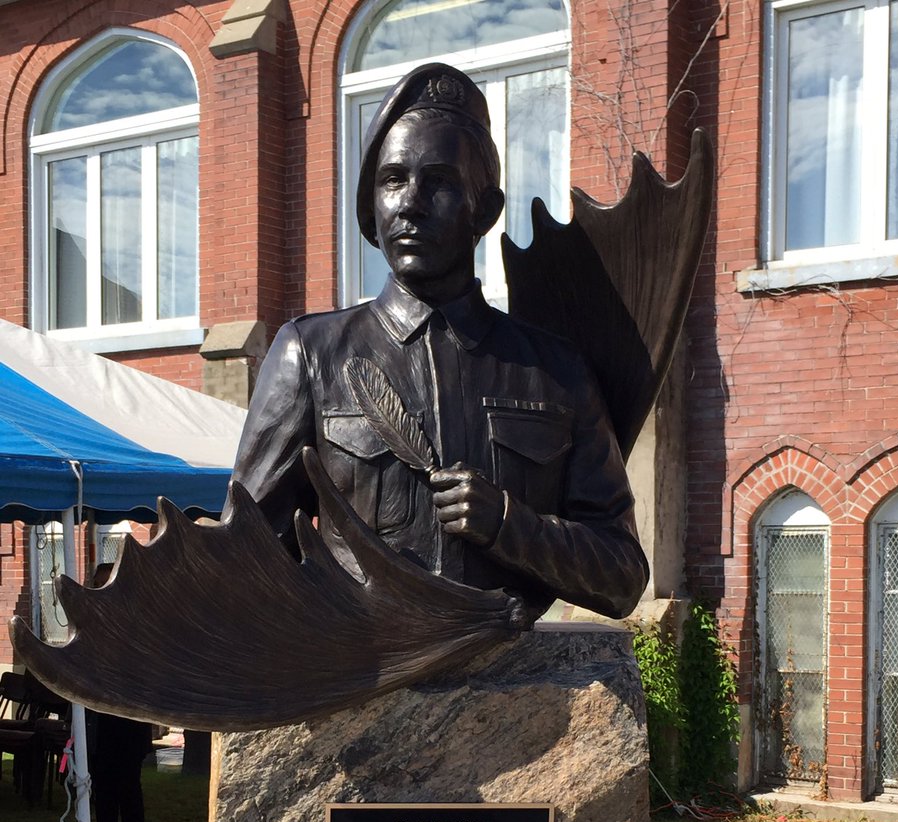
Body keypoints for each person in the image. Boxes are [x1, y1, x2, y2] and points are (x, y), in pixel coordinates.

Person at [230, 62, 649, 625]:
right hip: (360, 681)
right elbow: (243, 554)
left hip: (511, 683)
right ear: (372, 207)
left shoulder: (555, 371)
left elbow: (622, 575)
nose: (411, 202)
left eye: (440, 182)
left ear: (486, 210)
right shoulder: (311, 354)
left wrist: (509, 524)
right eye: (393, 179)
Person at [88, 563, 153, 822]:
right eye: (98, 585)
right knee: (103, 793)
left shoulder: (135, 625)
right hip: (102, 723)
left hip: (129, 722)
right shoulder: (93, 625)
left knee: (128, 791)